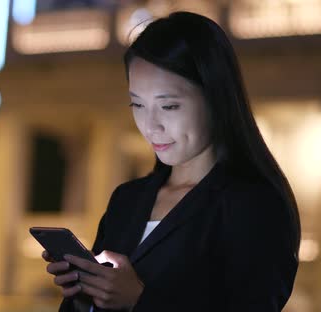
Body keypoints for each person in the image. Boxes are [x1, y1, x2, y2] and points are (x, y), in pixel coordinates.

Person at [41, 11, 300, 312]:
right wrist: (85, 295)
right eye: (137, 104)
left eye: (169, 105)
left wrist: (139, 300)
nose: (151, 126)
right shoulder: (127, 200)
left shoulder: (254, 203)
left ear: (215, 97)